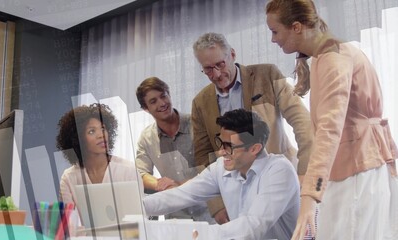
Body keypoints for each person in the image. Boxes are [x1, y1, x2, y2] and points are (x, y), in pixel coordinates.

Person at [265, 0, 398, 239]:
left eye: (275, 31)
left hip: (356, 167)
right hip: (353, 166)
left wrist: (309, 195)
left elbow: (329, 129)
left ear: (296, 27)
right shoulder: (324, 56)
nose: (273, 39)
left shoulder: (333, 58)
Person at [191, 32, 313, 224]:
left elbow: (302, 122)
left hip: (279, 183)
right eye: (207, 69)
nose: (216, 74)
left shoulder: (268, 75)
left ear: (232, 54)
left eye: (220, 64)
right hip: (237, 195)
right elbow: (202, 155)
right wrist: (216, 205)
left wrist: (306, 171)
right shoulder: (200, 102)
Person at [143, 109, 300, 239]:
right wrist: (139, 207)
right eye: (221, 143)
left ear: (254, 148)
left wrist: (200, 234)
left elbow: (253, 225)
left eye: (229, 146)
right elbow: (181, 194)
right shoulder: (222, 168)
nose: (221, 151)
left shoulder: (279, 171)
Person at [135, 77, 213, 223]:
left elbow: (214, 166)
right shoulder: (146, 138)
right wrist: (159, 183)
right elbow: (140, 173)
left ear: (169, 94)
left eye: (163, 96)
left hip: (210, 213)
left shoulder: (198, 124)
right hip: (176, 218)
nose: (162, 103)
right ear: (146, 109)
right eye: (153, 101)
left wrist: (179, 187)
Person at [57, 103, 139, 204]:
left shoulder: (128, 170)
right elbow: (69, 218)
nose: (101, 135)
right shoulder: (69, 177)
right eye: (92, 131)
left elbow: (138, 215)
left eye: (103, 129)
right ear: (78, 139)